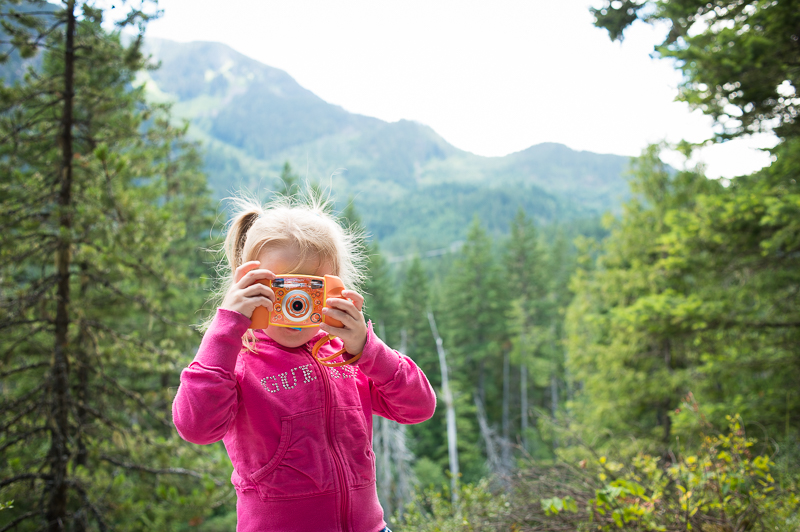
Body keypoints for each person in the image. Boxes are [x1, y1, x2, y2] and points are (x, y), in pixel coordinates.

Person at [172, 193, 437, 532]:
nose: (295, 305)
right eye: (279, 287)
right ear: (248, 285)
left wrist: (367, 348)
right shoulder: (237, 361)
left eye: (311, 288)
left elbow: (419, 407)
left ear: (336, 287)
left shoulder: (347, 354)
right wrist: (226, 328)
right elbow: (195, 427)